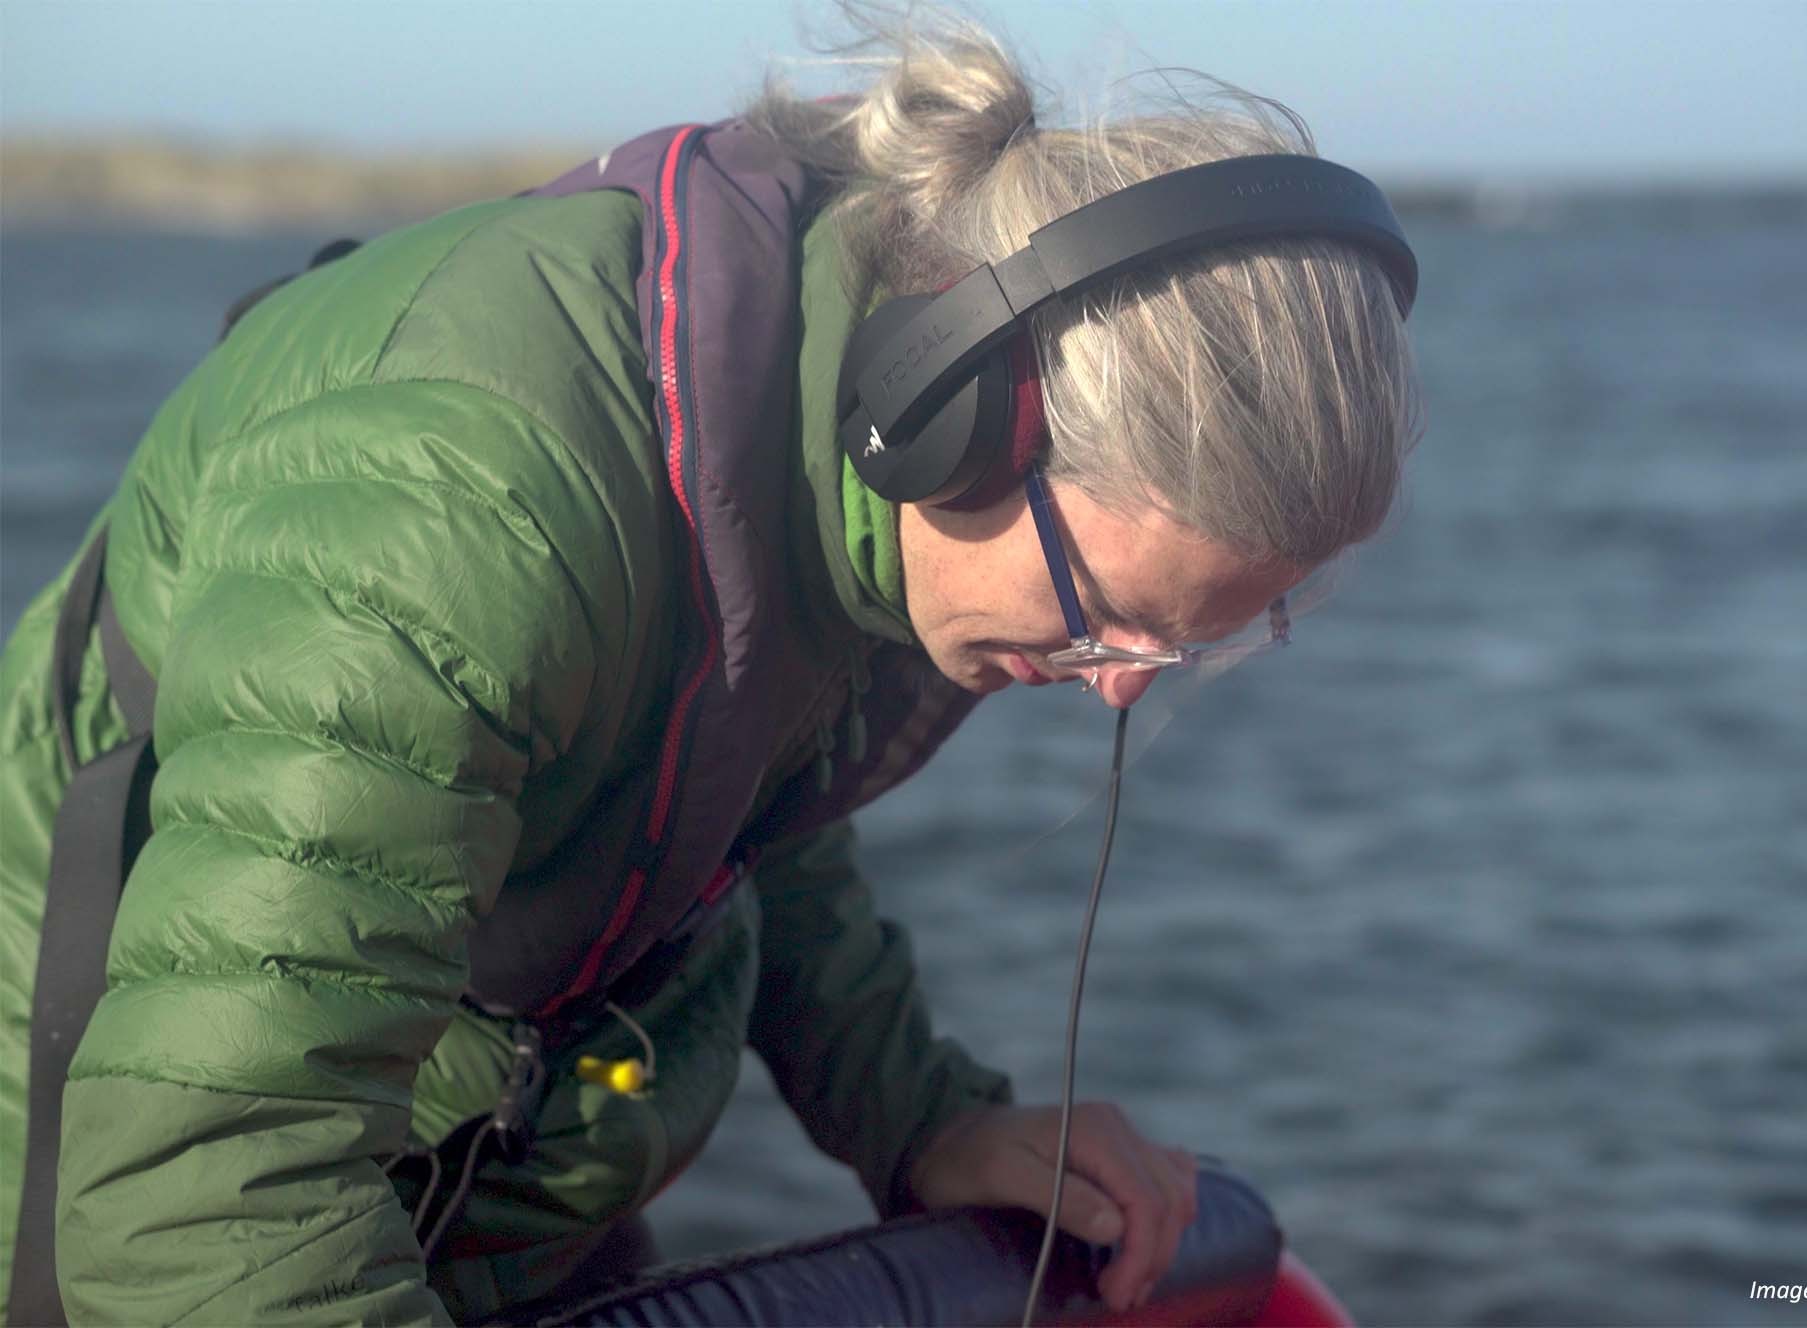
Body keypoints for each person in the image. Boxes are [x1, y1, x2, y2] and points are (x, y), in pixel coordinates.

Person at [0, 6, 1422, 1323]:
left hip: (489, 1136)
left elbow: (738, 811)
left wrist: (930, 1119)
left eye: (1204, 637)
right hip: (121, 1132)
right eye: (1110, 611)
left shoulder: (834, 465)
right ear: (956, 410)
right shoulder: (458, 510)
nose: (1123, 683)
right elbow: (205, 1180)